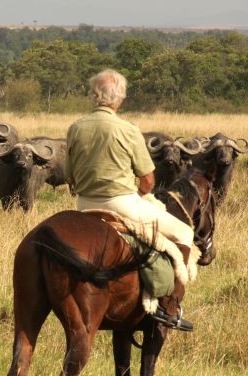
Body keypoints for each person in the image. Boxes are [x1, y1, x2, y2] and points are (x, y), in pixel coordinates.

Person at [65, 69, 194, 330]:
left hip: (84, 204)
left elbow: (69, 176)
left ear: (93, 95)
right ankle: (170, 308)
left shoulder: (75, 127)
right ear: (121, 99)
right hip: (122, 204)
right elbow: (147, 180)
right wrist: (143, 194)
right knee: (184, 233)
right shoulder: (128, 129)